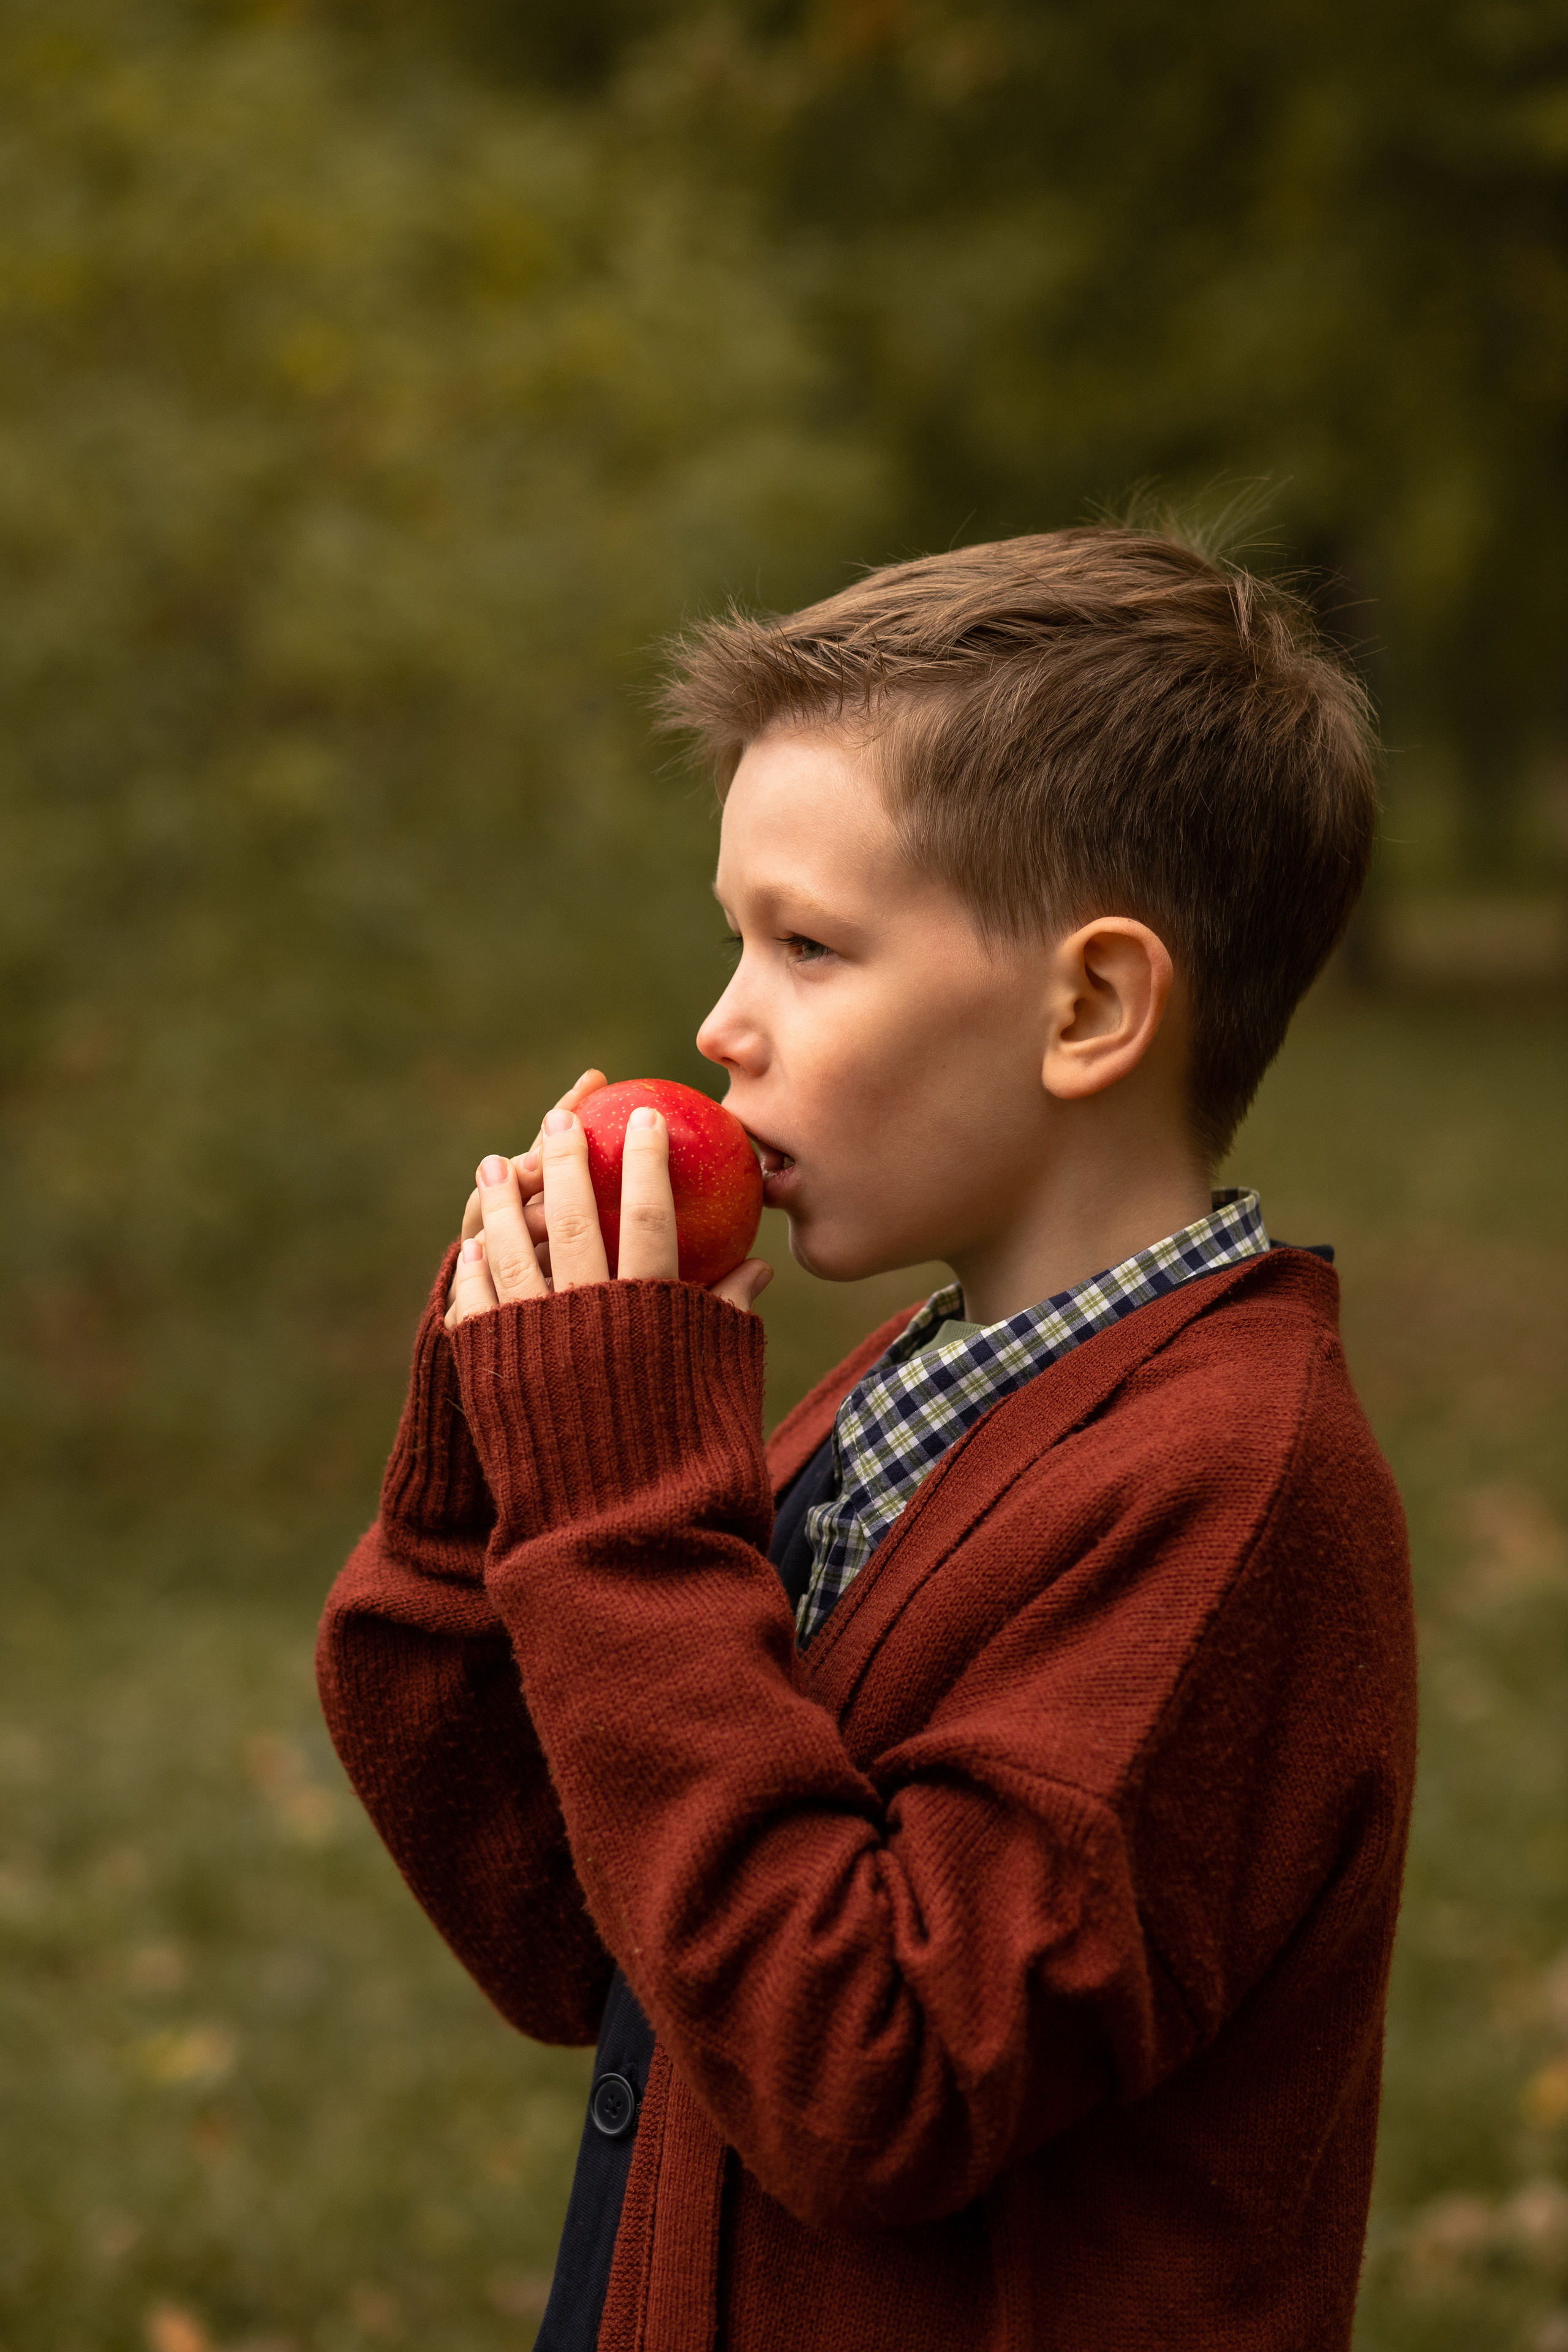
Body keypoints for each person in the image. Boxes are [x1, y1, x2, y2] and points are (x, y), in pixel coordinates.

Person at [317, 528, 1416, 2352]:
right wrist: (478, 1491)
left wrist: (622, 1517)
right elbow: (593, 1941)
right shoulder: (923, 1393)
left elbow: (869, 2077)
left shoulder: (1229, 1494)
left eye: (808, 948)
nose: (721, 1025)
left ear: (1090, 1008)